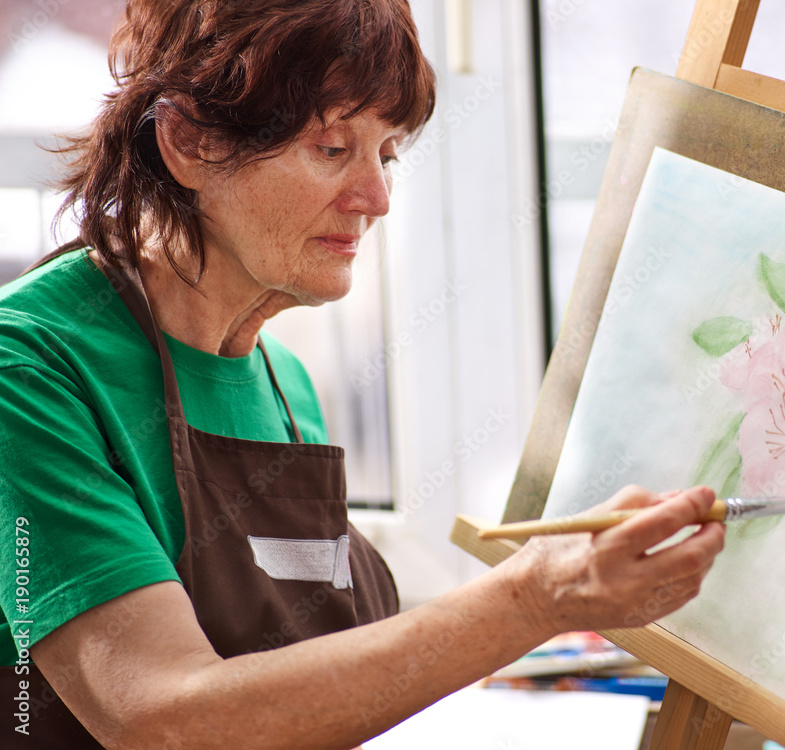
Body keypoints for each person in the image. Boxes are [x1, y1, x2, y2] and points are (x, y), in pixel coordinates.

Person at [0, 1, 725, 747]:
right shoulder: (26, 370)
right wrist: (535, 597)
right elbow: (164, 718)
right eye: (331, 147)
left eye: (387, 155)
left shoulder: (283, 383)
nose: (375, 200)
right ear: (187, 141)